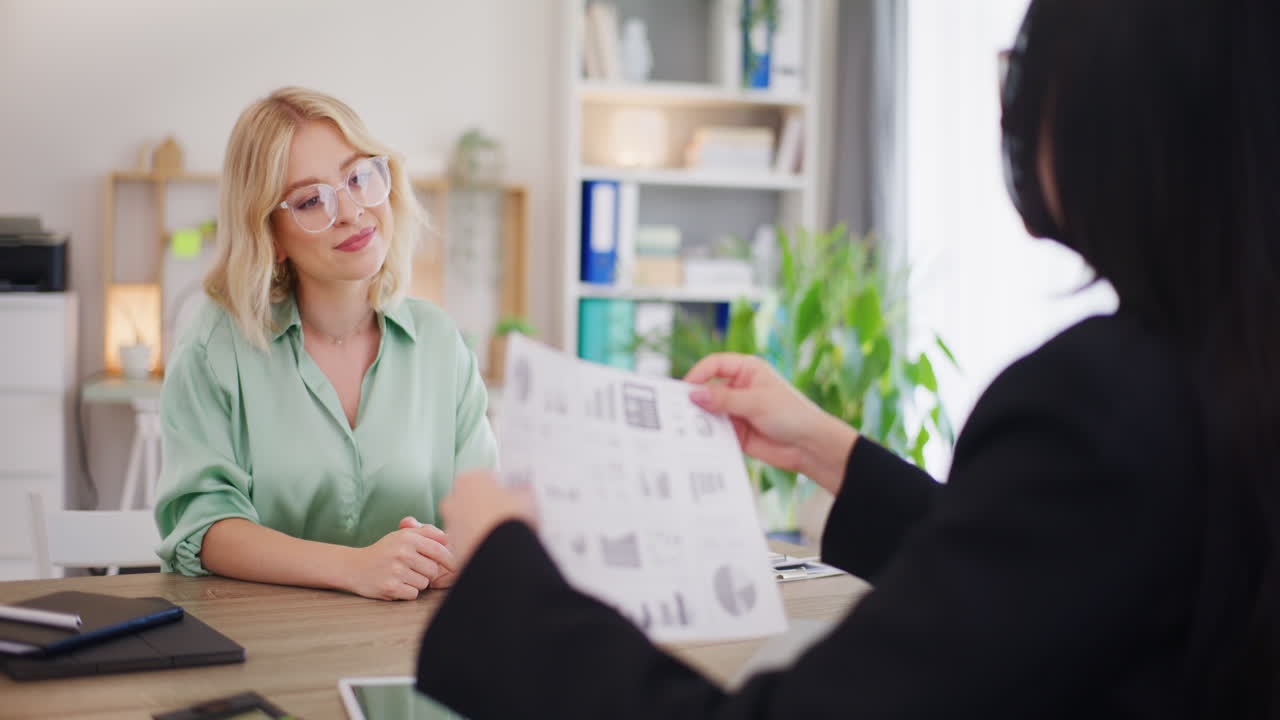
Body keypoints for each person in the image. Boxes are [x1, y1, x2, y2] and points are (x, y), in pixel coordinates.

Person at [415, 0, 1280, 716]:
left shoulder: (1101, 401)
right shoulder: (1224, 372)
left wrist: (505, 568)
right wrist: (826, 450)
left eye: (1027, 77)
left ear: (1117, 116)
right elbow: (1062, 576)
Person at [153, 88, 497, 601]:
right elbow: (203, 528)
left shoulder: (439, 342)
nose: (352, 212)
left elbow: (483, 514)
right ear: (270, 234)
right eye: (312, 200)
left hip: (411, 651)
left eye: (358, 177)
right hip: (266, 647)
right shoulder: (214, 346)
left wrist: (456, 554)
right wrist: (355, 567)